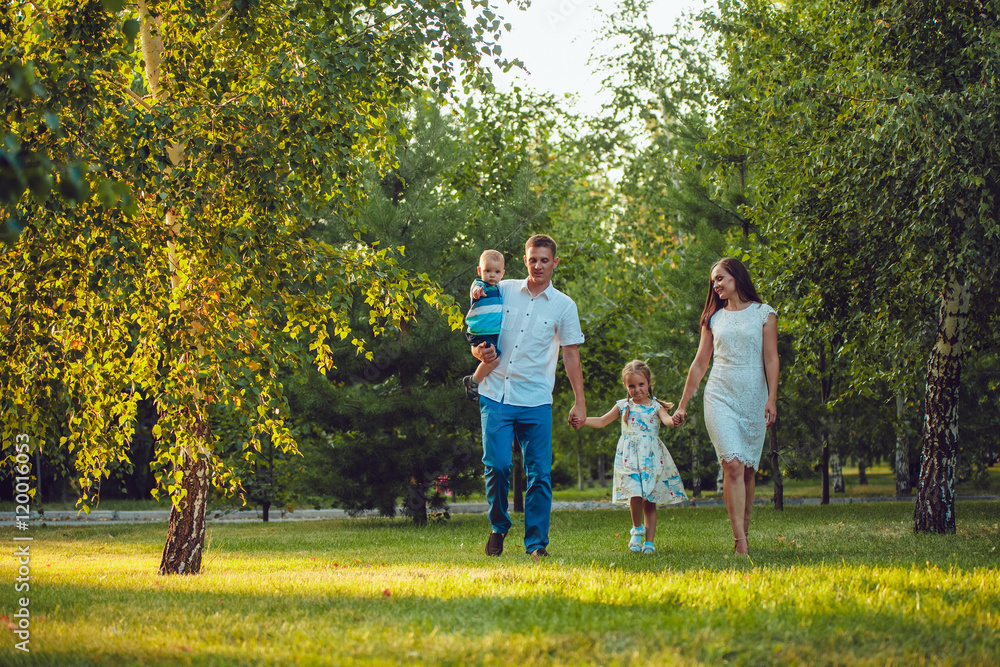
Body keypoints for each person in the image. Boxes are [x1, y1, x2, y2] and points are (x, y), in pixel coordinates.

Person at [471, 234, 586, 560]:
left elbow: (571, 355)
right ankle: (498, 526)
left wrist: (580, 400)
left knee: (539, 474)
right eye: (533, 259)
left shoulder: (564, 306)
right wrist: (478, 349)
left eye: (544, 260)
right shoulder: (502, 289)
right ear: (525, 260)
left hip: (535, 400)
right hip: (496, 394)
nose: (538, 265)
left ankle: (536, 545)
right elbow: (478, 327)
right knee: (497, 466)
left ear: (554, 263)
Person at [671, 257, 778, 556]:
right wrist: (683, 404)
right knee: (732, 464)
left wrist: (772, 397)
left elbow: (771, 359)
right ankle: (740, 543)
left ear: (736, 276)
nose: (715, 285)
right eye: (713, 281)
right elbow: (700, 364)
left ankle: (744, 531)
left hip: (754, 398)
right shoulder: (712, 319)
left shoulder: (764, 314)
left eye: (720, 278)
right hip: (719, 396)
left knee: (746, 470)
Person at [581, 360, 687, 554]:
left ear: (648, 383)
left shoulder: (656, 406)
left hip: (651, 459)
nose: (637, 389)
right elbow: (603, 421)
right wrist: (583, 420)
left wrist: (675, 420)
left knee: (650, 500)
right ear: (625, 386)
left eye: (641, 384)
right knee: (635, 494)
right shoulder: (622, 406)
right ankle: (637, 528)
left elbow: (667, 421)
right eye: (632, 385)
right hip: (629, 458)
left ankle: (649, 543)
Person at [462, 249, 505, 400]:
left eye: (496, 271)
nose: (492, 275)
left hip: (491, 332)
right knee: (495, 360)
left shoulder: (499, 289)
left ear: (502, 274)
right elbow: (474, 290)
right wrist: (476, 292)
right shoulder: (480, 285)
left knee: (494, 358)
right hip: (480, 332)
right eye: (487, 271)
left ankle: (475, 380)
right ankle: (473, 381)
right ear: (480, 270)